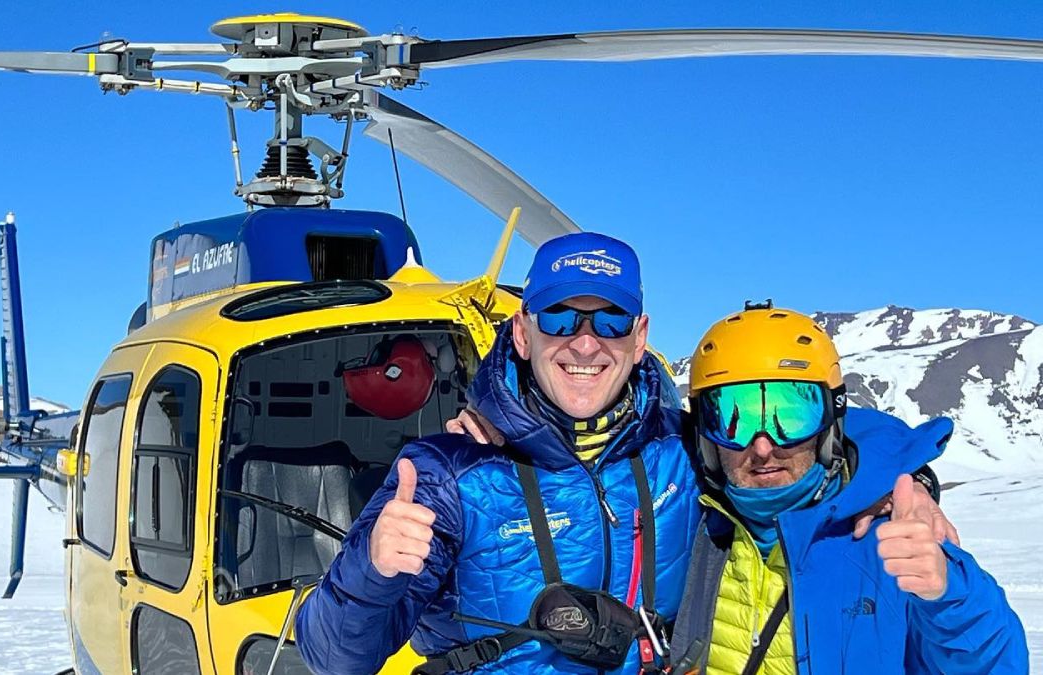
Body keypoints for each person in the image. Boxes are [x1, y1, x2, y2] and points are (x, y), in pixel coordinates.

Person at [295, 232, 703, 674]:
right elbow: (333, 660)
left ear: (639, 338)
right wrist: (370, 571)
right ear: (523, 333)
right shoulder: (448, 474)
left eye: (611, 321)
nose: (585, 343)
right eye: (559, 318)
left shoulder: (688, 453)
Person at [666, 303, 1028, 673]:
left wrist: (947, 595)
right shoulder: (692, 523)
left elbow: (996, 664)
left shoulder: (893, 541)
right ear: (706, 438)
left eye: (790, 417)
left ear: (829, 427)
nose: (762, 447)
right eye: (731, 420)